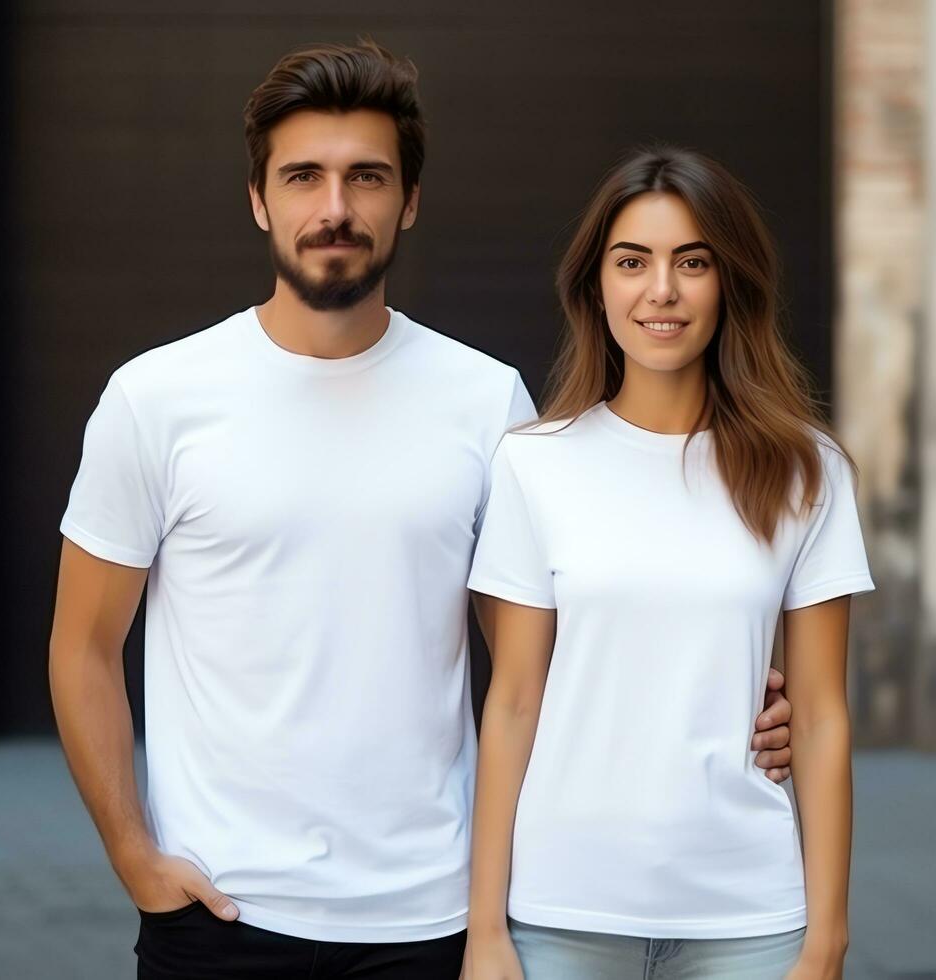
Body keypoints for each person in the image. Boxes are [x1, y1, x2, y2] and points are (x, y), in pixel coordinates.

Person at [47, 41, 795, 980]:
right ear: (257, 199)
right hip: (219, 915)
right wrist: (133, 853)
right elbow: (82, 647)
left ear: (407, 201)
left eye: (366, 177)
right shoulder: (155, 399)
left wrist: (745, 692)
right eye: (303, 177)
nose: (334, 208)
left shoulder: (488, 405)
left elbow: (560, 652)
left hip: (434, 921)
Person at [462, 146, 874, 980]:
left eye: (692, 263)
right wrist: (485, 931)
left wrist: (825, 941)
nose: (661, 290)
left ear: (730, 283)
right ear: (596, 286)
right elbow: (510, 703)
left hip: (750, 915)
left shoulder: (808, 469)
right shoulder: (532, 464)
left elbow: (824, 715)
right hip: (561, 911)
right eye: (631, 262)